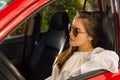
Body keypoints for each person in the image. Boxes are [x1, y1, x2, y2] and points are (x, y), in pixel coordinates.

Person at [45, 11, 119, 80]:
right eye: (71, 28)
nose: (70, 33)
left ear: (91, 36)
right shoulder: (68, 53)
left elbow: (110, 59)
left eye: (76, 31)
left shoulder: (93, 56)